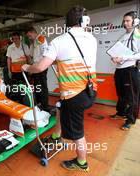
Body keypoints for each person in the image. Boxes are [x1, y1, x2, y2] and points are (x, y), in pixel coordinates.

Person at [22, 6, 97, 172]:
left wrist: (27, 67)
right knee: (59, 107)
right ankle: (56, 136)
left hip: (74, 95)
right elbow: (72, 58)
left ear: (67, 23)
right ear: (84, 21)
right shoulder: (91, 38)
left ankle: (82, 163)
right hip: (90, 91)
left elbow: (40, 67)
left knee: (77, 132)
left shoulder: (59, 41)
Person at [110, 11, 140, 130]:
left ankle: (130, 120)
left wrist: (124, 57)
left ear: (135, 21)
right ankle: (121, 113)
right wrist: (115, 57)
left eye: (128, 20)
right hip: (120, 69)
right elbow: (119, 52)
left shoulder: (137, 34)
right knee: (121, 94)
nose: (125, 23)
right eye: (124, 21)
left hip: (130, 70)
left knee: (132, 97)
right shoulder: (123, 36)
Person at [26, 27, 49, 111]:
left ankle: (45, 105)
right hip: (36, 67)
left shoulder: (41, 38)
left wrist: (40, 65)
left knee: (42, 86)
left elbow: (45, 53)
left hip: (41, 67)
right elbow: (32, 56)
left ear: (33, 32)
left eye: (30, 35)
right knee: (37, 86)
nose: (29, 37)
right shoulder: (33, 43)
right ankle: (39, 103)